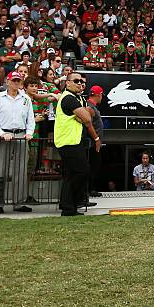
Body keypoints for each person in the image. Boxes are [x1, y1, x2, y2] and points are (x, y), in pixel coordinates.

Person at [0, 71, 35, 214]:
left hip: (20, 134)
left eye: (18, 81)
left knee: (21, 170)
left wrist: (29, 133)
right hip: (3, 134)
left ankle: (19, 202)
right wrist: (1, 133)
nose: (15, 83)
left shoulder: (26, 98)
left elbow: (30, 119)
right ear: (7, 81)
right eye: (13, 80)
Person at [54, 72, 101, 216]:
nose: (80, 83)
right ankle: (71, 205)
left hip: (73, 141)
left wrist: (83, 116)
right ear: (67, 83)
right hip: (68, 141)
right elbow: (87, 118)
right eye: (76, 81)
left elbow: (88, 117)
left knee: (72, 174)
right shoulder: (69, 98)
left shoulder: (78, 98)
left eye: (82, 81)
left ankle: (68, 207)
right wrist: (84, 115)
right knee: (82, 171)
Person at [86, 85, 104, 199]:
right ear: (98, 95)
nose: (102, 97)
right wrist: (96, 139)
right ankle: (90, 189)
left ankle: (91, 189)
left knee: (95, 166)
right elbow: (89, 125)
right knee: (93, 166)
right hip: (92, 143)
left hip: (93, 143)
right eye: (102, 95)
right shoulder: (90, 107)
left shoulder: (92, 106)